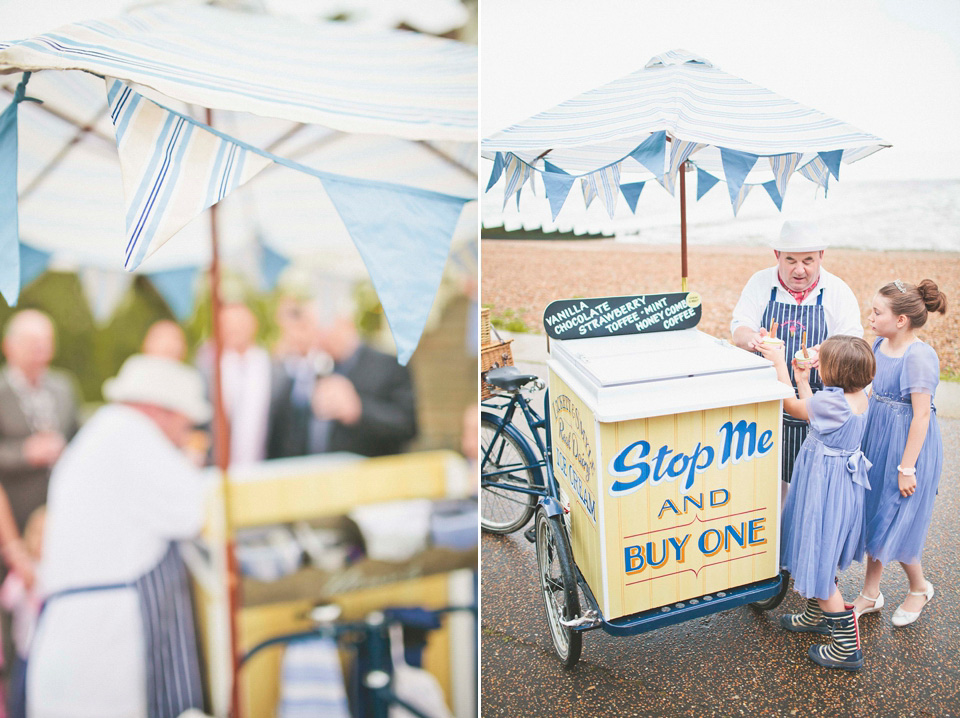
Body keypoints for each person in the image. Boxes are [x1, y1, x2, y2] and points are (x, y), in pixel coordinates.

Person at [27, 354, 211, 718]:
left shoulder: (105, 432)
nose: (184, 435)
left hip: (78, 640)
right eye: (184, 424)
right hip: (100, 650)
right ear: (161, 411)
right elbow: (195, 510)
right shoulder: (132, 436)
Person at [758, 335, 874, 670]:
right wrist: (803, 381)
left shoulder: (832, 402)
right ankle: (814, 614)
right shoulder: (856, 396)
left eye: (822, 360)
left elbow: (793, 408)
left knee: (818, 558)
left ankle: (846, 648)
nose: (816, 362)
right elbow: (815, 412)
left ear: (836, 372)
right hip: (838, 487)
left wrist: (780, 364)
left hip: (823, 487)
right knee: (819, 549)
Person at [731, 221, 863, 499]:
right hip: (765, 400)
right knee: (766, 481)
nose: (799, 269)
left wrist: (822, 351)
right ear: (777, 255)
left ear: (821, 257)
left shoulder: (837, 290)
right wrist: (753, 338)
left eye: (808, 261)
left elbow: (853, 339)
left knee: (810, 486)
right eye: (790, 260)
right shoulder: (759, 283)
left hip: (817, 402)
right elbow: (739, 328)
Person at [851, 280, 947, 626]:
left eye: (878, 312)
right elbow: (873, 389)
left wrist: (907, 467)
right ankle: (870, 593)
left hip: (909, 448)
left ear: (902, 320)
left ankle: (919, 588)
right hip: (878, 437)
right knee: (875, 512)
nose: (871, 317)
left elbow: (921, 414)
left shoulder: (918, 355)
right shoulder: (880, 344)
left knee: (901, 520)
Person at [268, 315, 417, 459]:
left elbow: (408, 426)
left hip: (370, 476)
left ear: (344, 324)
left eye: (321, 329)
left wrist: (359, 410)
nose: (316, 337)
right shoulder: (318, 368)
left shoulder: (386, 365)